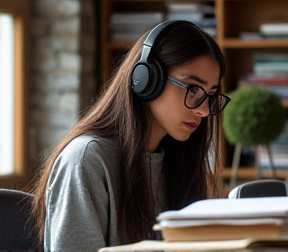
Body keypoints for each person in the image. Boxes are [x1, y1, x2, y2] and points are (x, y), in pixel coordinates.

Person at [31, 20, 230, 252]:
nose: (204, 110)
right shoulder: (86, 160)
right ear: (146, 79)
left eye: (210, 95)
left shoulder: (179, 163)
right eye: (193, 89)